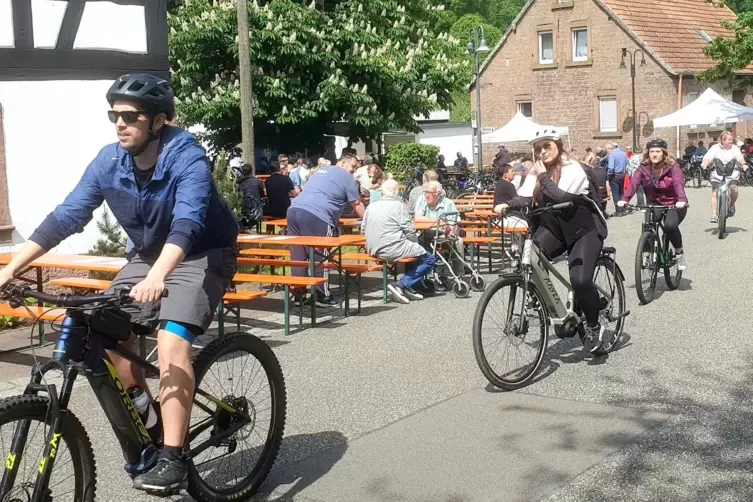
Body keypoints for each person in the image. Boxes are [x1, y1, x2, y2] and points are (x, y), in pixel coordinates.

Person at [0, 73, 239, 491]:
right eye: (114, 114)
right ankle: (149, 417)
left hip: (202, 254)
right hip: (147, 258)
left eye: (130, 116)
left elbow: (188, 223)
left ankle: (172, 455)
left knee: (170, 343)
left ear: (159, 121)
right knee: (102, 332)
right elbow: (66, 217)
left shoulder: (187, 157)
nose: (119, 123)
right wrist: (10, 269)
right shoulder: (109, 161)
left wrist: (159, 277)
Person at [498, 129, 607, 353]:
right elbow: (527, 197)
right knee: (529, 258)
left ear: (558, 145)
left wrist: (541, 176)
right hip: (555, 230)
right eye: (538, 148)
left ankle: (595, 327)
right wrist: (508, 204)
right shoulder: (538, 171)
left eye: (547, 146)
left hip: (583, 230)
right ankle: (541, 301)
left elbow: (561, 196)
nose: (543, 151)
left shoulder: (573, 168)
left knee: (580, 281)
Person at [286, 154, 366, 306]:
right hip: (317, 216)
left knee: (297, 256)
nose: (354, 170)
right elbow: (357, 204)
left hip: (294, 210)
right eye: (353, 166)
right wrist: (368, 221)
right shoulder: (346, 176)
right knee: (320, 256)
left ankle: (299, 294)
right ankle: (321, 295)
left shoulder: (319, 172)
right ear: (343, 163)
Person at [362, 179, 436, 304]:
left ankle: (406, 287)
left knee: (415, 253)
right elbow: (409, 229)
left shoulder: (371, 206)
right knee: (429, 259)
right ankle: (401, 284)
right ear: (396, 192)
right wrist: (415, 243)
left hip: (373, 249)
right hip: (392, 248)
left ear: (382, 192)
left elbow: (363, 228)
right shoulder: (398, 206)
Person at [618, 139, 688, 270]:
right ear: (648, 153)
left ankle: (679, 252)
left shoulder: (673, 167)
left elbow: (679, 184)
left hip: (673, 203)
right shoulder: (643, 168)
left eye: (657, 151)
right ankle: (646, 255)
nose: (654, 154)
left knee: (670, 226)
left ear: (664, 153)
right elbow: (634, 184)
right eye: (651, 151)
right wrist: (625, 199)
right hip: (653, 203)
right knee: (648, 227)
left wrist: (681, 200)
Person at [701, 130, 748, 222]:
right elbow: (708, 157)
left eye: (731, 140)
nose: (731, 141)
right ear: (723, 140)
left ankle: (731, 205)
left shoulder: (734, 148)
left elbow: (740, 158)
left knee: (734, 189)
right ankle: (714, 214)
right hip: (717, 174)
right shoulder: (715, 148)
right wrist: (705, 164)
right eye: (729, 140)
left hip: (732, 174)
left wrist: (744, 164)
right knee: (715, 192)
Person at [237, 163, 265, 232]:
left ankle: (245, 227)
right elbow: (262, 195)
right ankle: (249, 227)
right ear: (252, 171)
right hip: (256, 211)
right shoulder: (258, 181)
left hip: (243, 210)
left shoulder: (239, 183)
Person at [607, 143, 629, 216]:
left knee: (615, 193)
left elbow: (611, 167)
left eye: (607, 149)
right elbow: (627, 163)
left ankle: (618, 211)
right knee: (621, 193)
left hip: (615, 175)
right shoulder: (623, 153)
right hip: (622, 175)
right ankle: (623, 209)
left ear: (610, 148)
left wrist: (608, 177)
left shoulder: (612, 154)